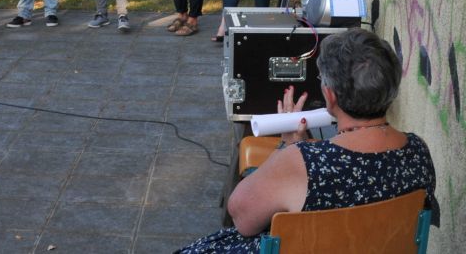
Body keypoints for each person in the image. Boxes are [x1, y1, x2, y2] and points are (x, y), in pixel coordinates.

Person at [178, 28, 440, 252]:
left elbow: (241, 218)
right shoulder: (418, 151)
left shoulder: (303, 162)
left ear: (330, 95)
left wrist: (288, 148)